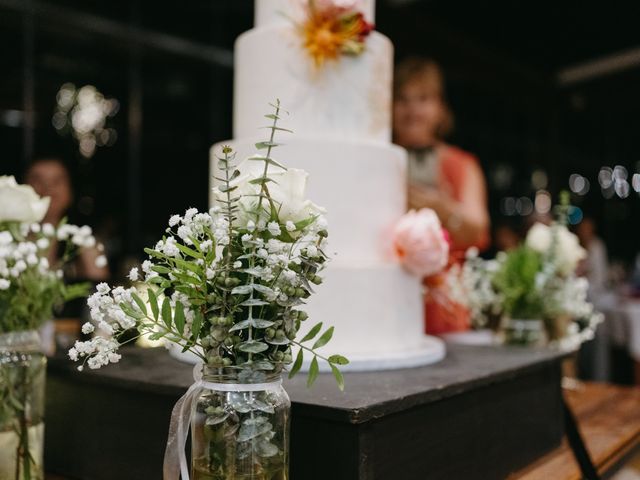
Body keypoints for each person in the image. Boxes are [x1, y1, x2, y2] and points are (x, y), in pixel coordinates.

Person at [393, 58, 490, 334]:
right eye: (402, 99)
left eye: (422, 99)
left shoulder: (462, 165)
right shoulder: (379, 160)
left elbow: (477, 232)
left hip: (443, 300)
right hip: (387, 293)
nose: (412, 110)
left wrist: (443, 209)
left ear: (440, 108)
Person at [24, 157, 109, 282]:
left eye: (56, 181)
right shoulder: (8, 244)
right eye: (37, 180)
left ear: (71, 192)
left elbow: (101, 291)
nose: (47, 189)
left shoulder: (84, 243)